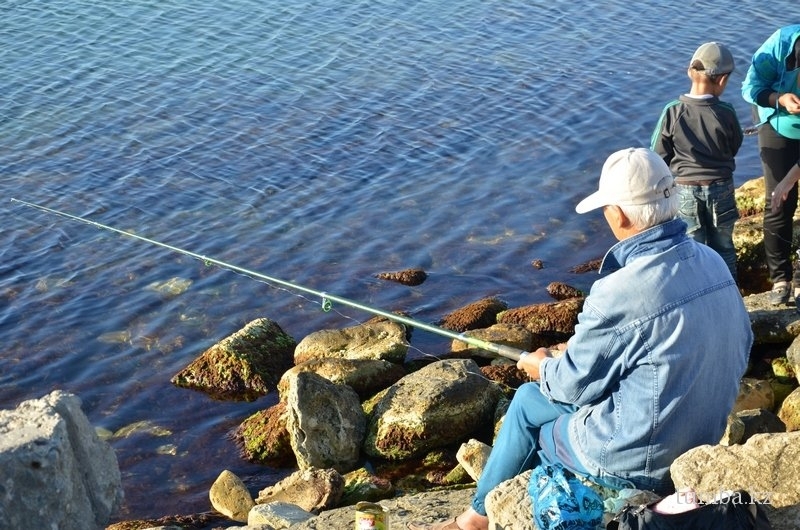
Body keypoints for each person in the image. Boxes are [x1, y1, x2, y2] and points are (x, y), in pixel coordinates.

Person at [407, 147, 753, 530]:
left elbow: (570, 388)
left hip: (636, 463)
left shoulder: (618, 290)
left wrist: (542, 366)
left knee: (528, 407)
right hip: (701, 441)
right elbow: (737, 343)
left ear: (618, 214)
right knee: (551, 399)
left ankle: (476, 519)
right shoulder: (712, 261)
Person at [650, 41, 744, 282]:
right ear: (722, 80)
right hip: (721, 187)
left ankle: (700, 292)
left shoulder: (672, 111)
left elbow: (657, 154)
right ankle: (729, 289)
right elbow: (735, 144)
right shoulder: (726, 111)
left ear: (689, 72)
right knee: (724, 246)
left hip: (685, 190)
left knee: (692, 248)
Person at [741, 25, 800, 307]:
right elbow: (750, 88)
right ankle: (780, 277)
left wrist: (793, 176)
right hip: (776, 119)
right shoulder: (780, 45)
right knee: (779, 200)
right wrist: (780, 99)